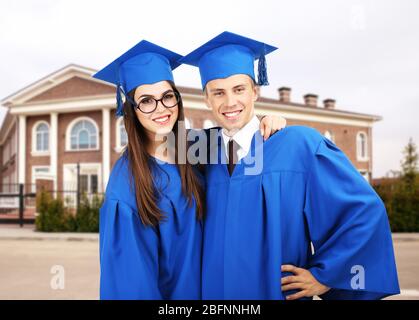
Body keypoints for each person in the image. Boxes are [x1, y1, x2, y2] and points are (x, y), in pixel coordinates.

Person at [180, 31, 400, 300]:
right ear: (206, 99)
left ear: (256, 92)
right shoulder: (199, 150)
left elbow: (364, 212)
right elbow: (152, 143)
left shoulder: (298, 145)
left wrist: (326, 276)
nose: (229, 102)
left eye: (239, 89)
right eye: (218, 92)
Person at [93, 39, 285, 299]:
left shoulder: (195, 147)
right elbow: (131, 287)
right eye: (146, 101)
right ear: (131, 109)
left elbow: (238, 130)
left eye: (167, 96)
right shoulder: (126, 186)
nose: (161, 109)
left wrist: (267, 120)